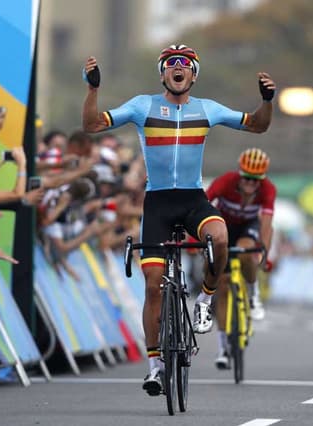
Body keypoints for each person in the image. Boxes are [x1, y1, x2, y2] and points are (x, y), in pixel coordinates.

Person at [82, 44, 275, 395]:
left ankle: (204, 302)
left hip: (192, 199)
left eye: (185, 64)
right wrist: (93, 89)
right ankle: (154, 367)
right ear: (162, 73)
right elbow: (92, 124)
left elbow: (258, 127)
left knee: (219, 238)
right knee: (153, 285)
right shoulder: (143, 106)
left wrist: (267, 102)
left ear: (193, 74)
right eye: (171, 63)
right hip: (157, 203)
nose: (178, 67)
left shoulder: (208, 109)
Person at [205, 148, 276, 369]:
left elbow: (266, 224)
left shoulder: (268, 190)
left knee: (246, 251)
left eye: (256, 180)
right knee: (223, 285)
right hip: (224, 225)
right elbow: (203, 206)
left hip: (248, 227)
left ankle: (253, 293)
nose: (250, 184)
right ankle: (223, 346)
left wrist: (263, 252)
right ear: (239, 173)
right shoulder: (225, 182)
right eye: (246, 178)